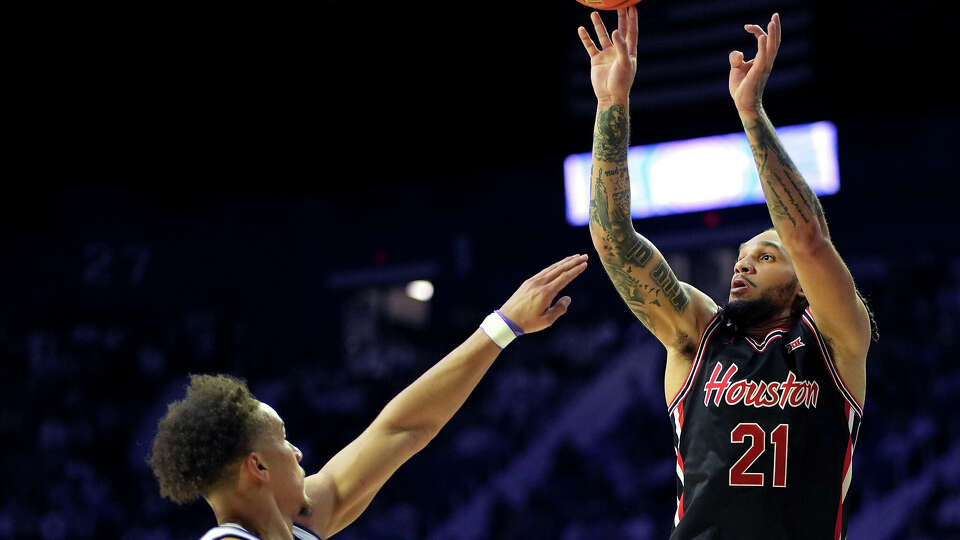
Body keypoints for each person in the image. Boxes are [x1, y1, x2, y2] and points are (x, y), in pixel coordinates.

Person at [579, 8, 877, 539]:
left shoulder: (836, 340)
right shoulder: (700, 333)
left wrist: (751, 113)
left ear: (803, 284)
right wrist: (611, 103)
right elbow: (613, 241)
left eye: (765, 256)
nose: (743, 262)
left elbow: (808, 239)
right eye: (742, 255)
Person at [147, 254, 588, 540]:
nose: (298, 453)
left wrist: (503, 326)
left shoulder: (302, 522)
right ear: (257, 466)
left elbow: (404, 428)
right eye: (282, 440)